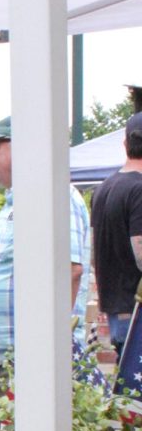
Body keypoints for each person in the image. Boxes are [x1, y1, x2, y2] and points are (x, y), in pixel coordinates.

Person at [0, 116, 91, 407]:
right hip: (5, 363)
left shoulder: (53, 195)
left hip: (30, 365)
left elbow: (69, 271)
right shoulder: (18, 201)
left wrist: (45, 354)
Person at [90, 111, 142, 358]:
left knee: (129, 394)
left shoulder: (102, 189)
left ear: (125, 145)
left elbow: (93, 254)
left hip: (116, 313)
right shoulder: (139, 189)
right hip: (137, 315)